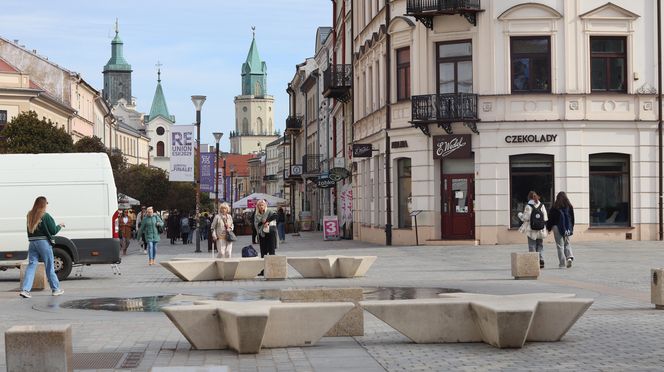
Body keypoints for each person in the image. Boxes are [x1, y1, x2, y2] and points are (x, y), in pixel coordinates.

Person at [20, 196, 65, 298]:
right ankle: (55, 289)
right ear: (43, 204)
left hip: (32, 242)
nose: (47, 206)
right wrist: (60, 226)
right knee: (49, 266)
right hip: (43, 242)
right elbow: (53, 230)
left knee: (31, 265)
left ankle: (25, 290)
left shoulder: (29, 215)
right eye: (46, 204)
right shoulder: (45, 216)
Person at [518, 191, 548, 268]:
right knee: (540, 245)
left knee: (532, 245)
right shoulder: (542, 205)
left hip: (531, 229)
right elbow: (545, 218)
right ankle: (541, 259)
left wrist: (520, 215)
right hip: (541, 229)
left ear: (529, 197)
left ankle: (534, 261)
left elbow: (525, 218)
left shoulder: (528, 206)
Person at [547, 192, 575, 268]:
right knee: (567, 243)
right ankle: (569, 257)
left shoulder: (555, 207)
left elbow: (550, 219)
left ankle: (562, 264)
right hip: (567, 228)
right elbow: (572, 218)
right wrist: (571, 227)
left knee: (560, 246)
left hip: (556, 227)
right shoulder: (569, 206)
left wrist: (548, 228)